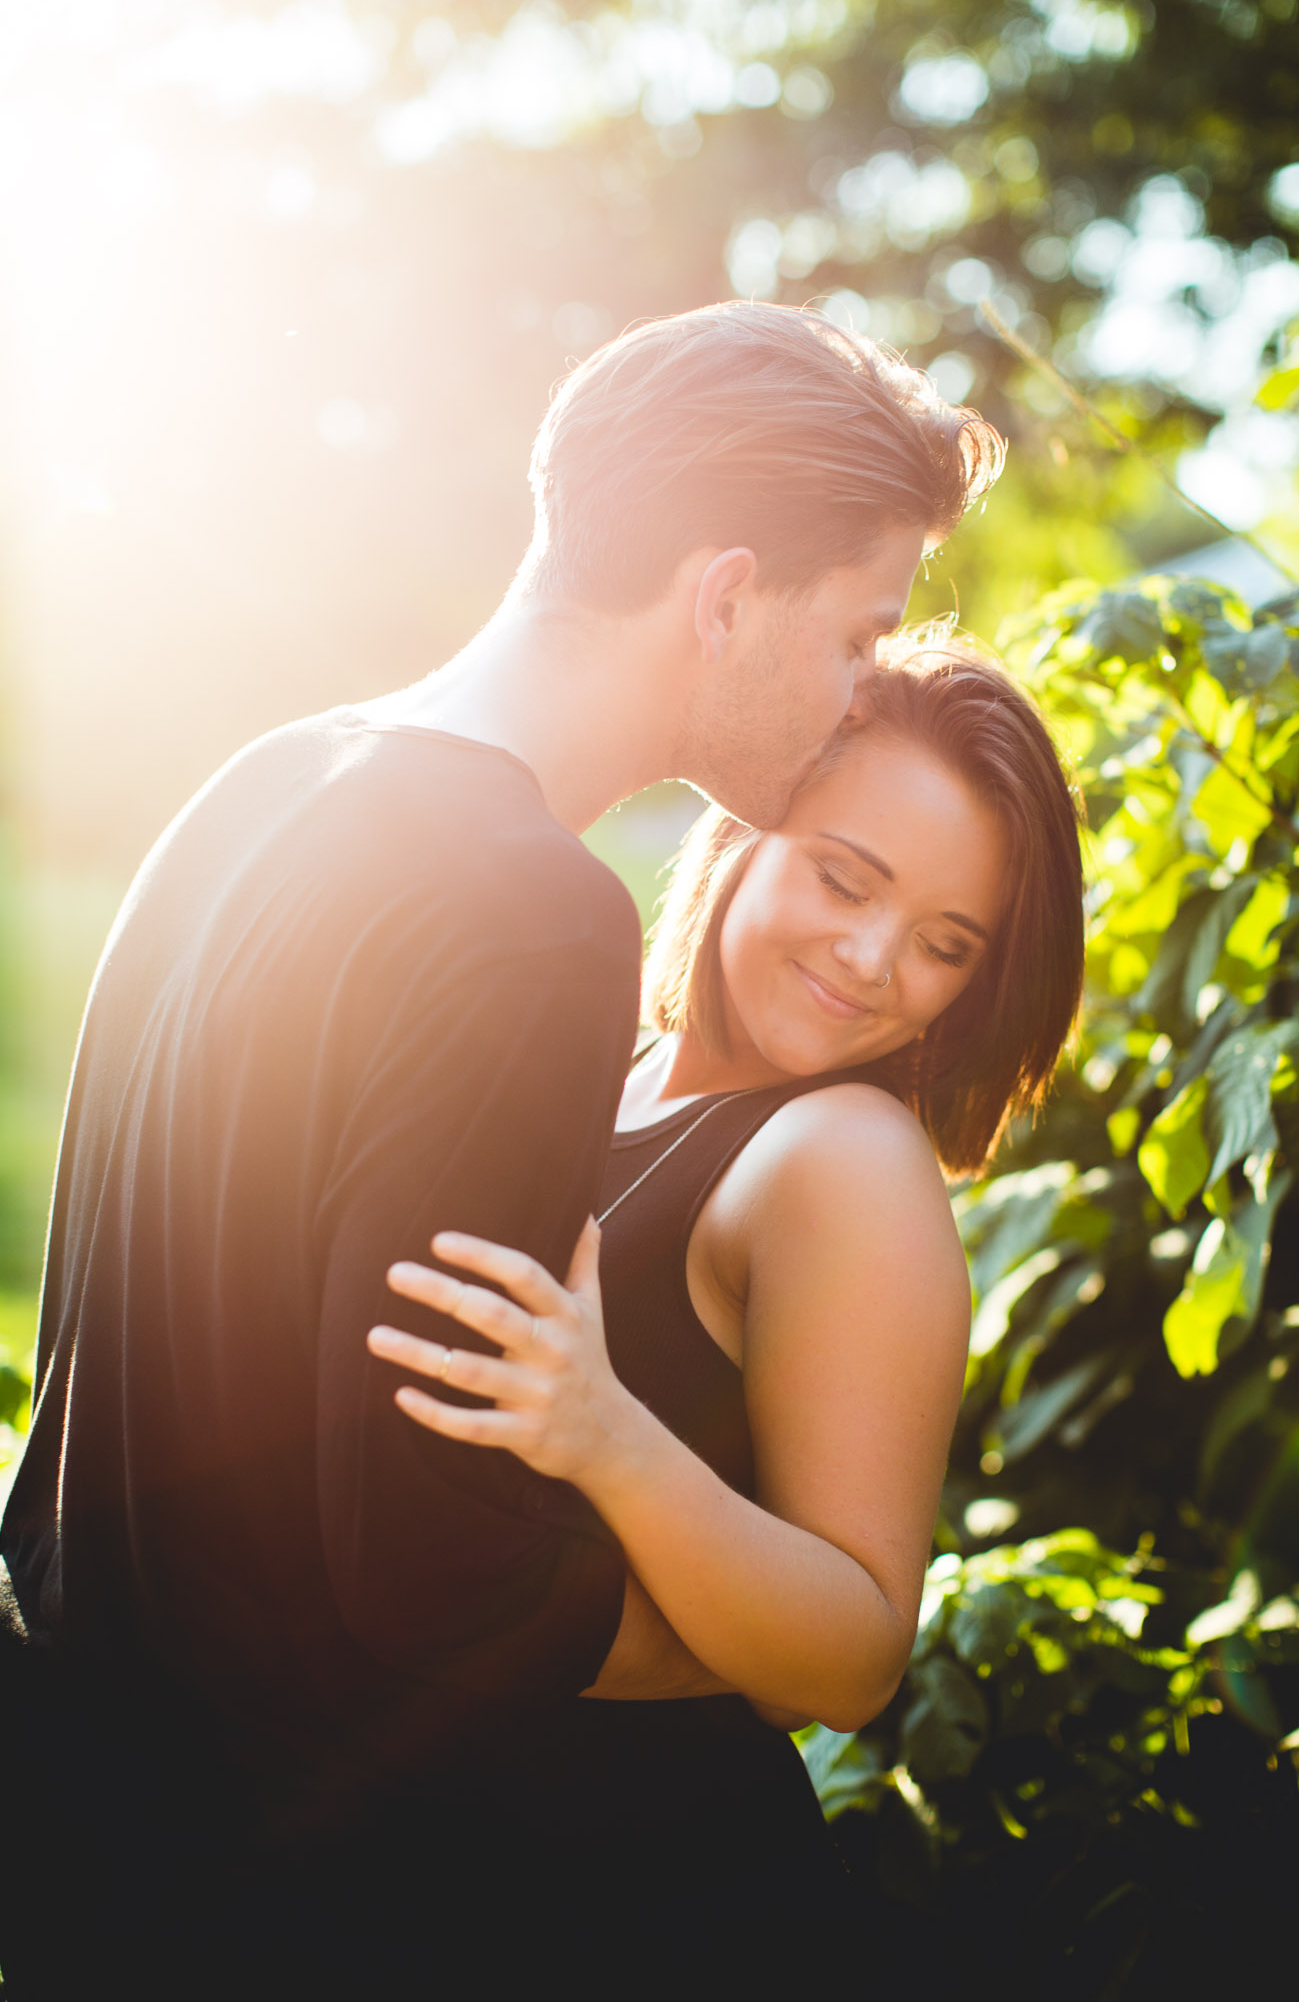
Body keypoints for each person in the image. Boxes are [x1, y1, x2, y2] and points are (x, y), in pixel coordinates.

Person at [0, 304, 1001, 1998]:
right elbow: (425, 1569)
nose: (851, 695)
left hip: (86, 1812)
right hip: (307, 1908)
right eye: (855, 635)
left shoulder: (257, 785)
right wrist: (760, 1650)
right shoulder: (530, 911)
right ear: (722, 591)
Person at [369, 638, 1086, 1977]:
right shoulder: (618, 1077)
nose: (871, 961)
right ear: (747, 829)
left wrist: (605, 1434)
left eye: (944, 946)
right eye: (841, 877)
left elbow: (852, 1658)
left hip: (649, 1912)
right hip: (456, 1883)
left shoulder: (844, 1161)